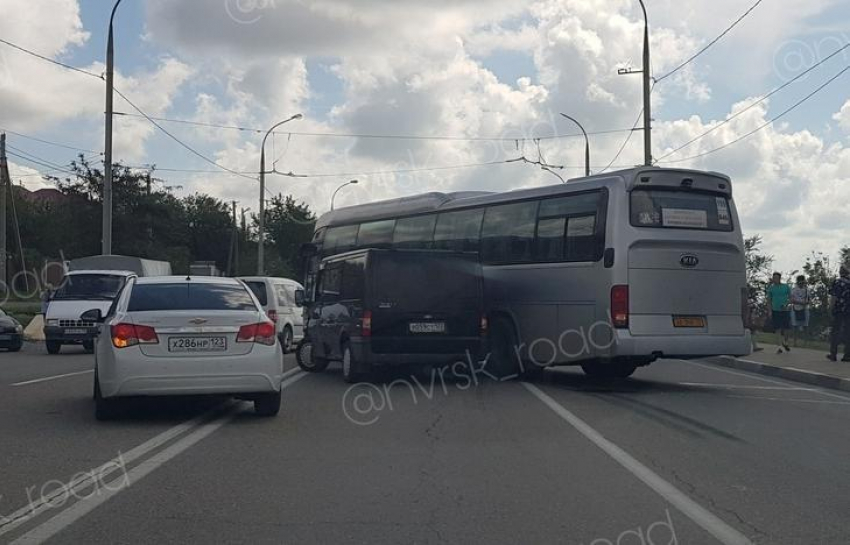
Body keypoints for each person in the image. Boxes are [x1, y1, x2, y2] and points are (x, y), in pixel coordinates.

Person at [826, 265, 850, 362]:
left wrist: (830, 308)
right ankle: (847, 355)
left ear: (840, 272)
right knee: (848, 332)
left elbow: (834, 296)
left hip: (839, 310)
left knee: (835, 331)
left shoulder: (837, 282)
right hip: (848, 310)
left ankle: (833, 354)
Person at [766, 272, 791, 354]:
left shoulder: (786, 287)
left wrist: (786, 304)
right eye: (774, 278)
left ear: (780, 278)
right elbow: (769, 300)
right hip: (775, 310)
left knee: (786, 328)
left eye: (776, 278)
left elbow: (791, 298)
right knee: (778, 328)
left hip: (785, 310)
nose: (775, 279)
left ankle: (785, 342)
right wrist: (769, 311)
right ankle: (779, 346)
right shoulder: (771, 288)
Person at [790, 275, 811, 347]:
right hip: (795, 308)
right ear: (797, 282)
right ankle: (794, 342)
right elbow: (792, 300)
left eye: (802, 281)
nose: (801, 283)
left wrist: (806, 303)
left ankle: (805, 343)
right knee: (795, 326)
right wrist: (801, 303)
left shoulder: (807, 290)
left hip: (805, 309)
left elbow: (809, 300)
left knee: (805, 326)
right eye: (800, 282)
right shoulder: (794, 290)